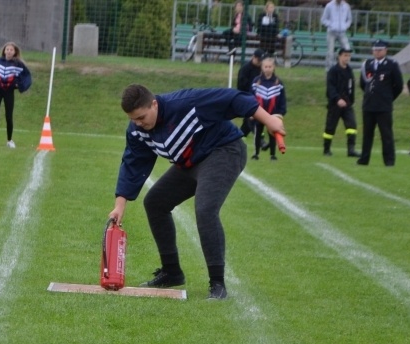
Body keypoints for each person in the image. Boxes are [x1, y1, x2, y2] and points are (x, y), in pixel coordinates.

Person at [107, 84, 285, 300]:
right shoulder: (137, 129)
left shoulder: (186, 103)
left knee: (206, 209)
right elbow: (133, 163)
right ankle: (171, 272)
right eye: (133, 119)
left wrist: (270, 120)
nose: (138, 123)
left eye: (142, 117)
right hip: (191, 163)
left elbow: (232, 98)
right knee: (155, 202)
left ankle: (217, 284)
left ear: (154, 104)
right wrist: (120, 204)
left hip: (224, 151)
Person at [357, 39, 403, 167]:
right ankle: (364, 159)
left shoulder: (392, 65)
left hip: (384, 106)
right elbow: (363, 84)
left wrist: (388, 97)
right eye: (375, 50)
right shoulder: (367, 64)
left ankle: (389, 160)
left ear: (385, 50)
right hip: (369, 105)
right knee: (367, 134)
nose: (377, 52)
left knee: (386, 134)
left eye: (380, 50)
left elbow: (398, 86)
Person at [0, 42, 32, 148]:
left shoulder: (18, 64)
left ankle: (9, 140)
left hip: (9, 92)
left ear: (15, 52)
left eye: (11, 50)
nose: (9, 51)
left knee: (9, 116)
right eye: (7, 49)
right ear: (4, 51)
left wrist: (20, 85)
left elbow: (26, 76)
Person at [323, 48, 360, 157]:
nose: (347, 58)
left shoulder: (349, 71)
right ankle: (326, 149)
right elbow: (330, 87)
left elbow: (351, 87)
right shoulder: (333, 71)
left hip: (347, 104)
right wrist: (337, 99)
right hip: (335, 104)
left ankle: (351, 150)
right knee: (330, 127)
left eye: (348, 55)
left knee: (352, 125)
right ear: (339, 56)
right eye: (345, 55)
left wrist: (350, 101)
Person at [251, 55, 286, 161]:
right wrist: (251, 111)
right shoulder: (256, 81)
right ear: (262, 67)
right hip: (259, 112)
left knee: (273, 133)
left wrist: (281, 112)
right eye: (265, 67)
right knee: (258, 133)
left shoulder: (278, 82)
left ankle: (272, 154)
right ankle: (256, 153)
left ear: (273, 67)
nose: (267, 69)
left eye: (270, 67)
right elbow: (251, 96)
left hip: (273, 113)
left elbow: (282, 98)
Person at [236, 48, 264, 137]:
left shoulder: (262, 69)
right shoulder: (245, 69)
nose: (260, 62)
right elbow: (241, 86)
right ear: (253, 57)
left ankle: (238, 136)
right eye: (258, 60)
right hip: (247, 97)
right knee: (250, 117)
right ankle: (260, 139)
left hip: (259, 97)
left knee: (248, 122)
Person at [320, 0, 353, 70]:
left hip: (342, 32)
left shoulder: (346, 6)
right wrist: (331, 25)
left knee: (347, 49)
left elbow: (349, 19)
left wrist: (345, 26)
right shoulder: (329, 6)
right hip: (331, 32)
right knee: (330, 51)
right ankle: (329, 69)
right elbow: (323, 19)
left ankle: (345, 67)